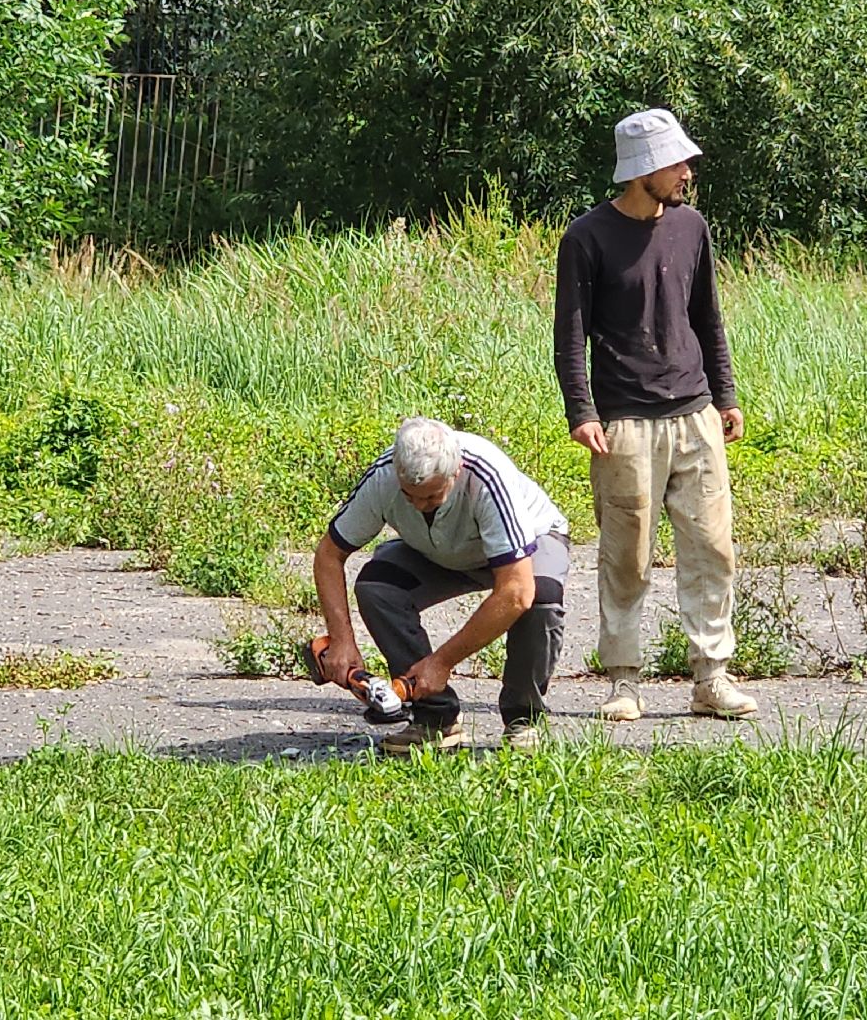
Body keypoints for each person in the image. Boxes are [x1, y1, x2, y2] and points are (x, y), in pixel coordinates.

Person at [553, 106, 758, 722]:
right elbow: (570, 337)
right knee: (627, 554)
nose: (688, 171)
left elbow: (708, 319)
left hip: (695, 413)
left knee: (712, 547)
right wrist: (582, 411)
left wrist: (725, 395)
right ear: (644, 168)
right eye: (677, 162)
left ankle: (712, 677)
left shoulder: (692, 227)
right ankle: (623, 680)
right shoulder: (586, 238)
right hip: (624, 425)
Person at [312, 417, 571, 754]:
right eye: (409, 497)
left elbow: (516, 592)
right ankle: (435, 719)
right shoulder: (384, 476)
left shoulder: (487, 478)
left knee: (541, 597)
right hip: (442, 550)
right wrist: (342, 641)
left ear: (456, 471)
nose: (419, 505)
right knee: (378, 588)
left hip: (528, 546)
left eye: (432, 497)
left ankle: (524, 719)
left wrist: (441, 662)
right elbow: (329, 556)